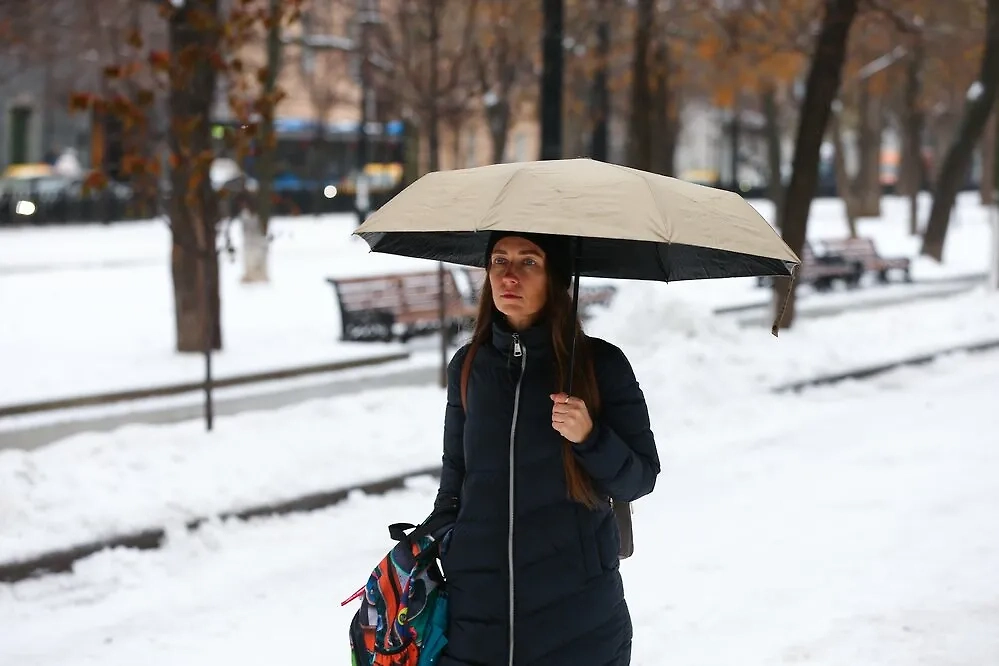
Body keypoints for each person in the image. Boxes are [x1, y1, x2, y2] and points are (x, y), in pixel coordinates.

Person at [430, 230, 660, 666]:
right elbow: (453, 483)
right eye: (499, 261)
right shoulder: (470, 366)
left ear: (555, 277)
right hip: (479, 619)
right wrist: (453, 546)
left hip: (578, 619)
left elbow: (640, 478)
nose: (509, 275)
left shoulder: (600, 366)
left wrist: (590, 437)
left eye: (528, 262)